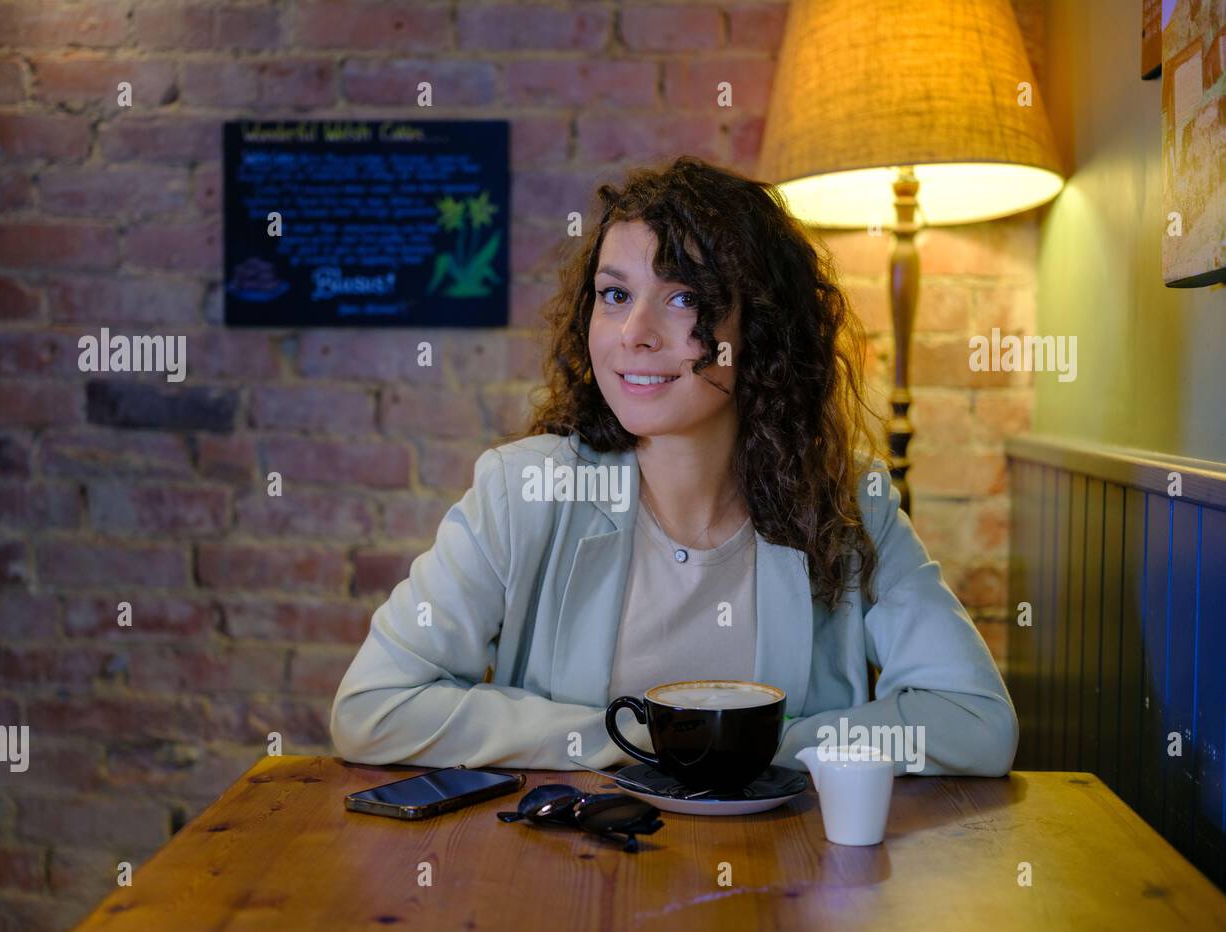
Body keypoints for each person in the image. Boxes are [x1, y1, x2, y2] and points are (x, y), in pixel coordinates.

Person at [330, 156, 1018, 777]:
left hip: (788, 885)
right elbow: (373, 707)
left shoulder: (851, 501)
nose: (634, 334)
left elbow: (976, 722)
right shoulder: (519, 491)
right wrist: (629, 742)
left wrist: (756, 748)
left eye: (684, 297)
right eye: (615, 294)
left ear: (761, 327)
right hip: (569, 884)